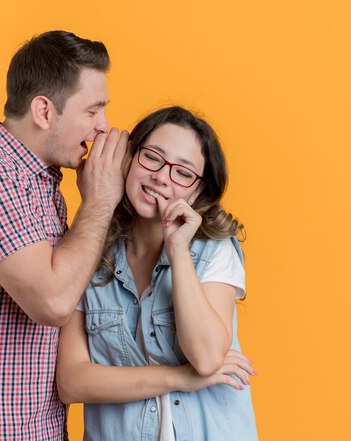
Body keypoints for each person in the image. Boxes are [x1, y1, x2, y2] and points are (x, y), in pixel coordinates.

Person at [0, 30, 129, 441]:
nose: (102, 126)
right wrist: (101, 201)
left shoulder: (40, 184)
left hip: (37, 428)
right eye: (92, 111)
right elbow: (53, 302)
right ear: (43, 111)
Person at [56, 106, 258, 440]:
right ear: (130, 160)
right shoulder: (88, 252)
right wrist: (179, 377)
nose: (162, 177)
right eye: (152, 157)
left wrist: (178, 250)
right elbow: (72, 381)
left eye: (183, 173)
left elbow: (207, 358)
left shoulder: (212, 249)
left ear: (196, 192)